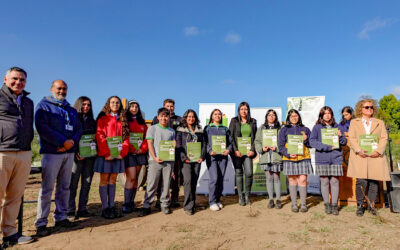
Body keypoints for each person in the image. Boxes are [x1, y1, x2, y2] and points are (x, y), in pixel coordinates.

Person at [35, 80, 82, 236]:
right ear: (52, 89)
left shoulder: (71, 110)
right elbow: (43, 128)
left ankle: (61, 217)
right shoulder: (43, 106)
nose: (62, 91)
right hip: (51, 152)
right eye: (59, 88)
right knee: (47, 188)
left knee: (64, 187)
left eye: (64, 89)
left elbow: (78, 129)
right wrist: (62, 142)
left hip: (68, 154)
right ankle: (41, 222)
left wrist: (72, 143)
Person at [0, 67, 34, 246]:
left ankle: (10, 233)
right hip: (2, 152)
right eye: (14, 78)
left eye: (22, 79)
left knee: (15, 196)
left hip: (23, 152)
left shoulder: (28, 102)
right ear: (5, 79)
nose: (18, 82)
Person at [347, 98, 390, 216]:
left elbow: (383, 138)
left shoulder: (379, 122)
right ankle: (360, 206)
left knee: (373, 182)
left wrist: (378, 151)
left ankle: (371, 206)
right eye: (367, 107)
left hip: (375, 156)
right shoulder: (354, 122)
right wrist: (358, 150)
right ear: (361, 109)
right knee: (361, 181)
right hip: (360, 156)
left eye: (371, 107)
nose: (370, 109)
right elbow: (352, 137)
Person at [94, 96, 129, 219]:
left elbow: (126, 138)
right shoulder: (102, 119)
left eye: (117, 102)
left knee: (113, 179)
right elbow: (99, 135)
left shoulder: (123, 120)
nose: (115, 104)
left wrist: (122, 153)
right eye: (112, 102)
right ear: (108, 104)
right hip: (105, 155)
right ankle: (105, 208)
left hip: (118, 155)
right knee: (104, 179)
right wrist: (107, 153)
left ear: (120, 105)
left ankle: (111, 206)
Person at [310, 106, 347, 215]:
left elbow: (344, 142)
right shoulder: (317, 127)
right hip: (322, 158)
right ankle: (327, 204)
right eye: (325, 113)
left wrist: (340, 136)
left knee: (335, 181)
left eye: (329, 113)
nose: (327, 115)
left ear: (332, 115)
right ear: (321, 115)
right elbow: (312, 141)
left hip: (336, 158)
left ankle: (334, 205)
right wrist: (326, 147)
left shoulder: (337, 126)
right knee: (324, 181)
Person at [139, 108, 176, 216]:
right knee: (151, 184)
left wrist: (174, 144)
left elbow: (172, 147)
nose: (164, 118)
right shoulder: (152, 129)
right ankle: (147, 205)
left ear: (169, 117)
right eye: (162, 116)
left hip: (168, 161)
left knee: (166, 184)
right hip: (155, 161)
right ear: (158, 117)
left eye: (166, 116)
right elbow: (150, 143)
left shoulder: (172, 131)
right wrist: (154, 157)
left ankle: (164, 205)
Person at [67, 96, 97, 219]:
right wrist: (76, 152)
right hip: (76, 157)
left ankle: (82, 209)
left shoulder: (93, 121)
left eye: (88, 105)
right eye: (84, 104)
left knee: (87, 183)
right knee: (72, 184)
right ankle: (70, 210)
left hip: (89, 157)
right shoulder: (72, 119)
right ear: (78, 105)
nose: (86, 107)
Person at [278, 109, 312, 213]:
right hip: (289, 158)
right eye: (292, 116)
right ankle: (293, 204)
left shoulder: (305, 129)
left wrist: (306, 139)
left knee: (302, 180)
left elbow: (311, 144)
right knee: (292, 180)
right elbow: (280, 145)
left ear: (299, 117)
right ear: (288, 117)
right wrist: (288, 153)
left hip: (303, 157)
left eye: (296, 115)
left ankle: (303, 204)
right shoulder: (284, 130)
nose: (294, 117)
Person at [152, 99, 182, 208]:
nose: (170, 108)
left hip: (175, 152)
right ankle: (159, 199)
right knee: (160, 177)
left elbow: (181, 134)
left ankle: (174, 199)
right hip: (161, 152)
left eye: (172, 106)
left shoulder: (179, 119)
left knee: (176, 176)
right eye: (167, 106)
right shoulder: (156, 119)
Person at [176, 109, 205, 215]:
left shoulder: (200, 130)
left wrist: (202, 156)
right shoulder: (180, 130)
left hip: (197, 160)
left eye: (193, 117)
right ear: (185, 118)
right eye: (189, 117)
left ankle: (192, 204)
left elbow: (204, 144)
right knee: (187, 181)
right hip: (186, 161)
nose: (191, 118)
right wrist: (184, 158)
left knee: (194, 182)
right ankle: (188, 206)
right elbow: (178, 145)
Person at [204, 109, 232, 211]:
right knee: (214, 179)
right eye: (215, 114)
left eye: (219, 114)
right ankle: (212, 202)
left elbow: (230, 143)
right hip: (212, 157)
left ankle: (218, 200)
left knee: (220, 179)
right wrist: (209, 150)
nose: (217, 116)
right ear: (212, 116)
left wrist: (228, 150)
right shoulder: (207, 128)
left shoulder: (225, 129)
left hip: (223, 157)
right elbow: (204, 142)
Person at [229, 102, 257, 206]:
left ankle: (247, 195)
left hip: (248, 152)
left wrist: (253, 149)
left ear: (248, 110)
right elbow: (230, 136)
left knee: (249, 173)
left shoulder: (253, 121)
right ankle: (240, 196)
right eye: (241, 109)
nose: (243, 111)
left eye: (245, 109)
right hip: (237, 152)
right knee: (239, 173)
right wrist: (235, 150)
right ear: (239, 110)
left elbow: (255, 137)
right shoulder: (234, 120)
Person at [123, 100, 148, 213]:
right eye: (132, 106)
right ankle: (126, 203)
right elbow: (123, 136)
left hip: (140, 153)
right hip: (129, 154)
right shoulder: (125, 121)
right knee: (131, 177)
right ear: (128, 108)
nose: (134, 108)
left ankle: (132, 202)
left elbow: (147, 138)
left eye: (136, 107)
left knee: (136, 179)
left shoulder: (142, 123)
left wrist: (141, 149)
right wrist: (130, 148)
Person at [254, 109, 283, 209]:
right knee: (269, 178)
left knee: (276, 178)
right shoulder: (261, 128)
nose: (271, 117)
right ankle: (271, 199)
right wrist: (261, 148)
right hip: (266, 157)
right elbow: (257, 141)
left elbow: (283, 142)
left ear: (276, 117)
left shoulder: (280, 128)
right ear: (266, 117)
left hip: (276, 156)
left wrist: (277, 148)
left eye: (273, 115)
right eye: (269, 115)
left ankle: (278, 199)